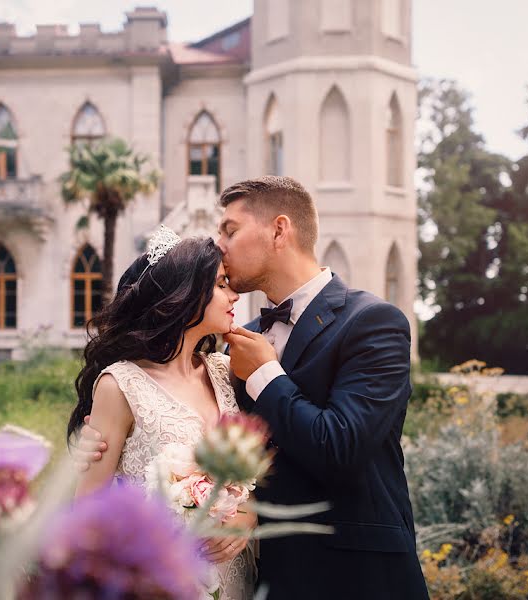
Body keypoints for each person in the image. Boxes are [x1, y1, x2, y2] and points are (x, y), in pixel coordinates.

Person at [78, 176, 429, 599]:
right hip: (266, 579)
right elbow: (245, 457)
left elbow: (342, 446)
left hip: (358, 577)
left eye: (230, 230)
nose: (219, 244)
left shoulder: (373, 322)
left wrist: (265, 375)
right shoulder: (233, 350)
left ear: (279, 230)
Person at [68, 229, 257, 600]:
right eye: (221, 284)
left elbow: (249, 479)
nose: (234, 295)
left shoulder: (225, 372)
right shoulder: (120, 384)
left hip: (237, 581)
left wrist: (245, 518)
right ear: (185, 294)